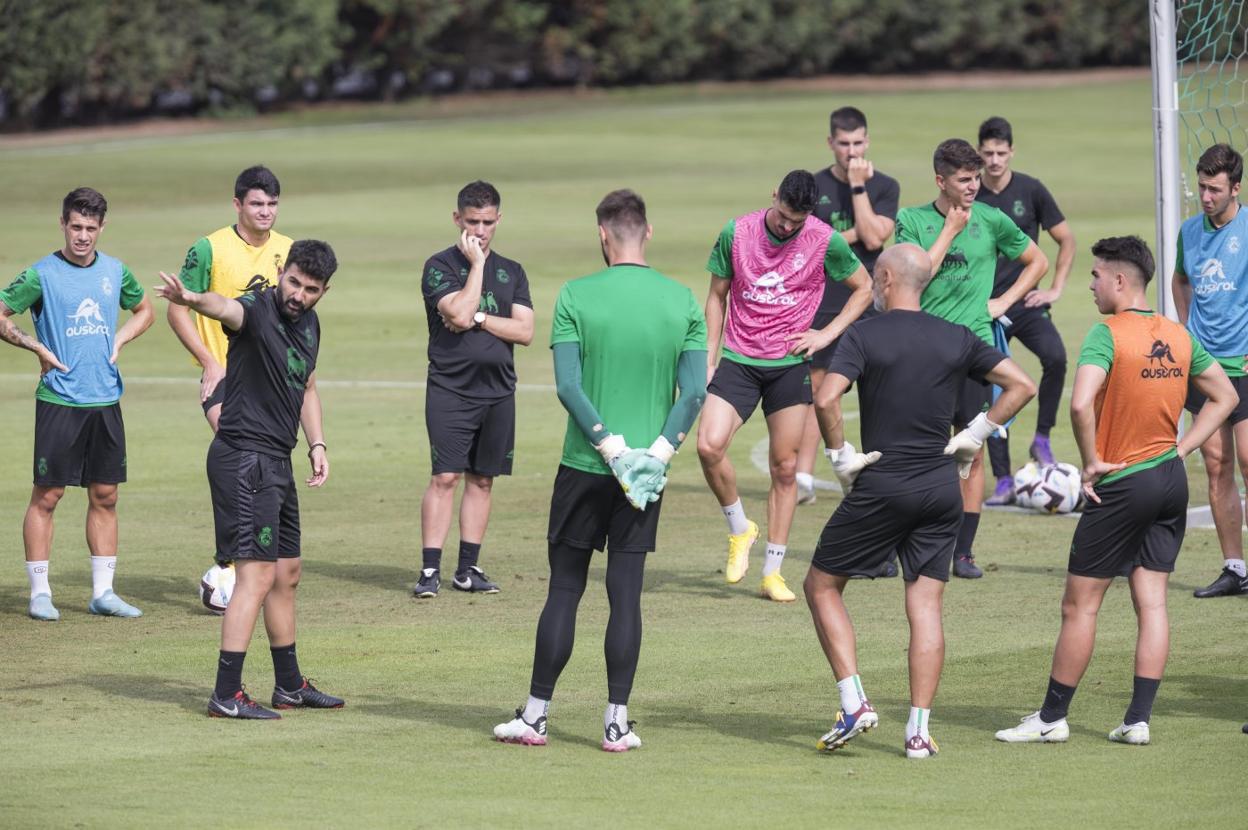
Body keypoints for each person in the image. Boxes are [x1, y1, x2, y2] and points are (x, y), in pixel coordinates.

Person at [996, 236, 1235, 746]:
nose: (1090, 284)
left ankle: (1052, 718)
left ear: (1120, 281)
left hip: (1123, 484)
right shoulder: (1177, 333)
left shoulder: (1107, 334)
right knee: (1152, 603)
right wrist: (1183, 449)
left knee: (1080, 605)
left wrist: (1089, 464)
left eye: (1096, 275)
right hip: (1169, 481)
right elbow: (1226, 396)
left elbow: (1081, 405)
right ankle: (1137, 721)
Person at [493, 189, 706, 752]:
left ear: (603, 236)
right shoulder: (682, 300)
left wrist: (609, 448)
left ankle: (536, 716)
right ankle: (616, 723)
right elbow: (696, 393)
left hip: (585, 464)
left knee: (565, 588)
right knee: (626, 596)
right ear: (648, 233)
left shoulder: (575, 295)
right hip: (645, 478)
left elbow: (568, 386)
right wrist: (655, 455)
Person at [805, 243, 1035, 758]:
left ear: (885, 278)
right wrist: (975, 433)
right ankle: (917, 731)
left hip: (884, 483)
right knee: (925, 604)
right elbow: (1022, 384)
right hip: (940, 486)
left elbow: (824, 398)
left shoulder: (863, 334)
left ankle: (854, 701)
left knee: (821, 585)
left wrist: (841, 455)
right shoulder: (955, 336)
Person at [156, 240, 343, 720]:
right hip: (244, 459)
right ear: (283, 270)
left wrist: (317, 443)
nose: (298, 295)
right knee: (256, 574)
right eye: (295, 282)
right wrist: (193, 300)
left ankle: (289, 685)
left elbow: (308, 386)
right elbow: (225, 308)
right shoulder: (257, 311)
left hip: (277, 460)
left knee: (286, 572)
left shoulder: (311, 325)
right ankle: (226, 693)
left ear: (324, 291)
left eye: (311, 289)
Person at [698, 169, 871, 601]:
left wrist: (826, 335)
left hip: (788, 364)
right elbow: (717, 295)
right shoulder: (736, 233)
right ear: (774, 196)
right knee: (708, 446)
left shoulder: (823, 239)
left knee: (786, 467)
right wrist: (709, 355)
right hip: (738, 359)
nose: (788, 226)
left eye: (797, 221)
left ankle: (773, 572)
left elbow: (864, 288)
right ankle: (741, 530)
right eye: (783, 216)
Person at [896, 139, 1048, 578]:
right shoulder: (911, 221)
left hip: (973, 349)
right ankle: (900, 543)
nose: (974, 187)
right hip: (923, 350)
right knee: (912, 452)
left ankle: (963, 553)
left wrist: (1003, 302)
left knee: (973, 451)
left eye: (976, 178)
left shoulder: (993, 219)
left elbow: (1037, 260)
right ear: (941, 181)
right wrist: (949, 232)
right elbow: (914, 277)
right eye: (964, 180)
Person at [0, 187, 154, 621]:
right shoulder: (41, 274)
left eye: (90, 228)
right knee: (47, 495)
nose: (82, 236)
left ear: (102, 228)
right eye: (75, 226)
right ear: (63, 224)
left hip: (105, 397)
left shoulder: (115, 271)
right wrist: (34, 347)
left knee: (105, 495)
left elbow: (144, 309)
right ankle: (39, 594)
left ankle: (103, 593)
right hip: (60, 401)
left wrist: (121, 337)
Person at [168, 165, 293, 604]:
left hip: (274, 383)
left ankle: (251, 556)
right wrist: (208, 362)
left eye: (272, 204)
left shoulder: (288, 250)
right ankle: (230, 561)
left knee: (263, 463)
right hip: (225, 377)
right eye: (256, 203)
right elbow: (178, 309)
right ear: (237, 204)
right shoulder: (209, 249)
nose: (265, 211)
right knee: (236, 449)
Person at [417, 181, 534, 598]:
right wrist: (478, 267)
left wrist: (482, 318)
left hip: (499, 391)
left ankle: (467, 569)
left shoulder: (514, 271)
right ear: (457, 220)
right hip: (450, 389)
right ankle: (430, 571)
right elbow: (458, 314)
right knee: (445, 476)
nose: (480, 231)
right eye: (472, 222)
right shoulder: (439, 267)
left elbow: (525, 331)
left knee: (483, 480)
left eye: (487, 223)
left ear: (498, 220)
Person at [796, 106, 900, 514]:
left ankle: (879, 467)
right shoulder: (814, 186)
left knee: (878, 387)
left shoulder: (885, 185)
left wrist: (859, 190)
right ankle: (804, 475)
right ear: (830, 143)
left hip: (873, 299)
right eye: (844, 144)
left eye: (858, 143)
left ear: (868, 141)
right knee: (818, 389)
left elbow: (875, 241)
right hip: (823, 300)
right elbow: (804, 245)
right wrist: (854, 232)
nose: (851, 152)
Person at [974, 117, 1077, 504]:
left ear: (1011, 152)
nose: (995, 160)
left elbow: (1065, 240)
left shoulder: (1031, 190)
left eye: (1001, 153)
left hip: (1027, 302)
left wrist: (1055, 289)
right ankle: (1002, 479)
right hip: (986, 309)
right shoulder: (972, 193)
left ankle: (1042, 439)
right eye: (988, 153)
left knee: (1055, 357)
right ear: (980, 152)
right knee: (994, 387)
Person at [1172, 144, 1248, 598]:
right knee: (1217, 466)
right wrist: (1186, 328)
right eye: (1201, 186)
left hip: (1244, 363)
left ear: (1235, 188)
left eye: (1214, 189)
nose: (1205, 196)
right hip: (1205, 368)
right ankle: (1236, 568)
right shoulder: (1188, 232)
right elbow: (1181, 278)